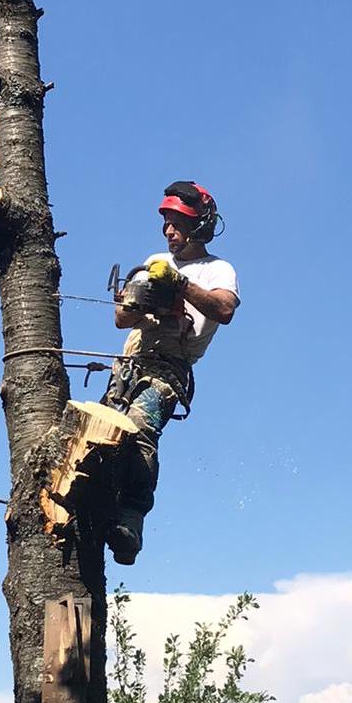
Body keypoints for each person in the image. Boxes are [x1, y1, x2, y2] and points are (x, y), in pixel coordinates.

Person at [103, 181, 240, 564]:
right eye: (166, 222)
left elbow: (224, 310)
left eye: (177, 223)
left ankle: (131, 520)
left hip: (169, 370)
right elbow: (120, 318)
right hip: (129, 366)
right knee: (101, 436)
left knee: (139, 430)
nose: (169, 231)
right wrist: (141, 302)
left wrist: (179, 285)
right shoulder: (153, 260)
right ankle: (97, 508)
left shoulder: (218, 270)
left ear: (199, 225)